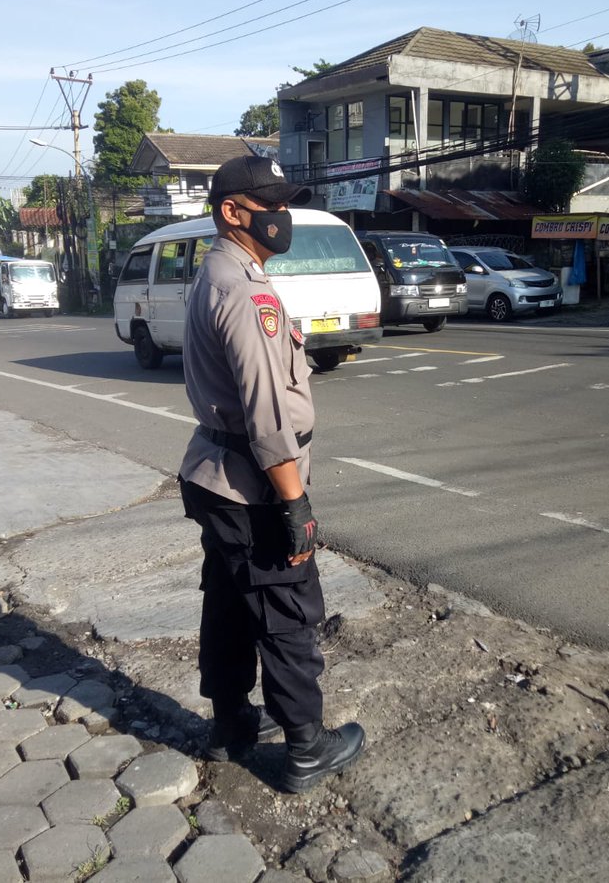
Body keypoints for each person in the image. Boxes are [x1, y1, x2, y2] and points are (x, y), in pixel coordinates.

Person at [178, 155, 365, 793]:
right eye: (273, 206)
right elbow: (266, 415)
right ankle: (308, 748)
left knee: (230, 604)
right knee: (286, 609)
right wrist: (294, 504)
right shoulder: (246, 290)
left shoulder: (221, 272)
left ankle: (231, 726)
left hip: (216, 475)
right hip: (254, 484)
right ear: (234, 212)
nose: (283, 217)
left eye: (286, 204)